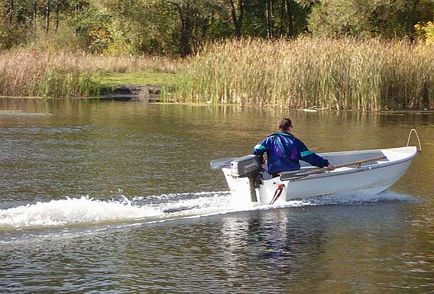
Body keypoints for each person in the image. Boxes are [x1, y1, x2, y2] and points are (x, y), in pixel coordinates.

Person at [253, 118, 335, 177]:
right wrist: (326, 164)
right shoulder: (296, 142)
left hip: (276, 172)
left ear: (279, 128)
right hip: (292, 173)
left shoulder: (270, 139)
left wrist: (261, 159)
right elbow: (308, 156)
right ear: (289, 128)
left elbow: (257, 149)